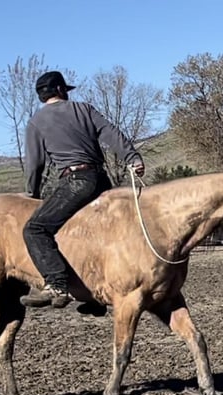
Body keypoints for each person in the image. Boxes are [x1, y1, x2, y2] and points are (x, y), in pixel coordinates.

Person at [20, 71, 145, 309]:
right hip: (101, 180)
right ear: (60, 90)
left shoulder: (36, 121)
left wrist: (32, 194)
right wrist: (132, 157)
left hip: (75, 181)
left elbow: (35, 164)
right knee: (96, 234)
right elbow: (111, 133)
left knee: (35, 229)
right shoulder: (84, 109)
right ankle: (96, 295)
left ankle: (56, 283)